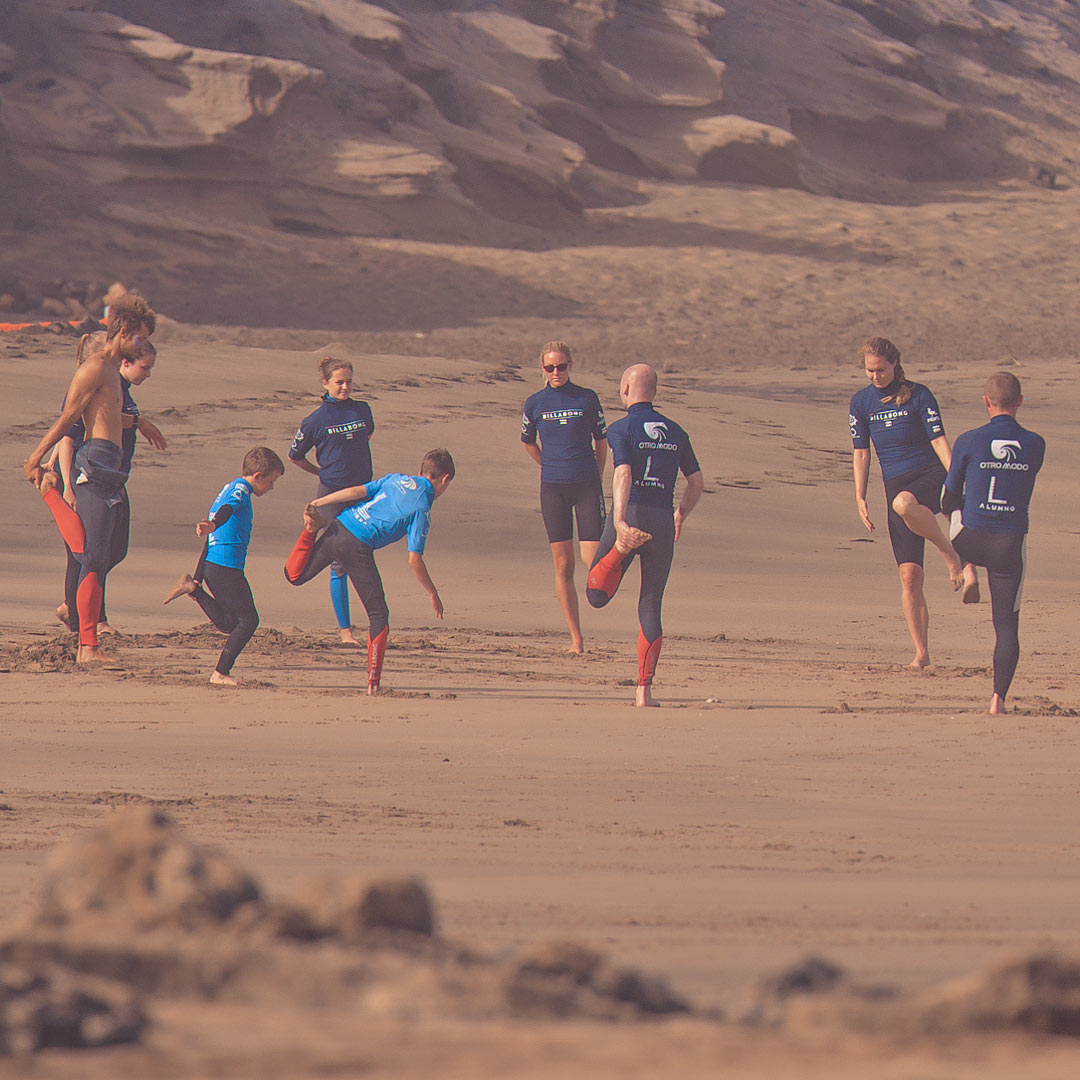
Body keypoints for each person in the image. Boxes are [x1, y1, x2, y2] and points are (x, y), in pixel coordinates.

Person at [23, 293, 156, 663]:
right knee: (92, 555)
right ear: (124, 332)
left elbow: (108, 414)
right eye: (141, 339)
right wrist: (36, 457)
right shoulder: (95, 368)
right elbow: (69, 419)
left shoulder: (113, 372)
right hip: (94, 462)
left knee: (102, 555)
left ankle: (88, 646)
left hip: (113, 467)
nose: (143, 346)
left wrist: (140, 422)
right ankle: (87, 647)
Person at [282, 449, 455, 695]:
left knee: (295, 576)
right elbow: (414, 560)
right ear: (445, 479)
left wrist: (319, 502)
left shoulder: (396, 478)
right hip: (357, 547)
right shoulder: (422, 507)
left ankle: (311, 531)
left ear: (420, 471)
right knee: (378, 615)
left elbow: (356, 492)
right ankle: (373, 682)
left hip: (339, 526)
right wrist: (432, 592)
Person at [585, 364, 703, 707]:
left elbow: (623, 472)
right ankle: (644, 691)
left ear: (625, 390)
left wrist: (620, 521)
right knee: (650, 604)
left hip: (633, 511)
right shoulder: (677, 432)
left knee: (596, 595)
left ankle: (619, 550)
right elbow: (697, 482)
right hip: (662, 519)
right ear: (654, 392)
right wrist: (680, 515)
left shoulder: (620, 429)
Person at [849, 336, 968, 669]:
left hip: (930, 477)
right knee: (909, 577)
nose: (875, 376)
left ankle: (950, 554)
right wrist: (859, 495)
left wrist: (955, 479)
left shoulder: (919, 394)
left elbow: (939, 441)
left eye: (881, 370)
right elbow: (861, 453)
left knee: (904, 504)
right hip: (895, 485)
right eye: (870, 371)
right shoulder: (861, 402)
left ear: (895, 364)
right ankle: (921, 653)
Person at [943, 373, 1045, 715]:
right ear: (1020, 402)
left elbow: (947, 499)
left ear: (985, 401)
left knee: (954, 506)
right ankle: (997, 700)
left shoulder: (968, 440)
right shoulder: (1036, 444)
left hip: (967, 538)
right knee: (1006, 626)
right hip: (1008, 546)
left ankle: (965, 566)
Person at [54, 338, 167, 635]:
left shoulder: (120, 388)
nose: (148, 374)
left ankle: (72, 605)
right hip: (85, 476)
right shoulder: (96, 382)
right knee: (87, 553)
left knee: (115, 549)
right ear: (125, 361)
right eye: (145, 367)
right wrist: (67, 486)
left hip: (112, 477)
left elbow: (114, 417)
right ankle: (86, 621)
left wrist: (139, 422)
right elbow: (68, 434)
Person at [161, 447, 285, 687]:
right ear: (258, 476)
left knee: (230, 623)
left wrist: (198, 576)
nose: (271, 487)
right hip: (226, 568)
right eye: (271, 482)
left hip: (214, 566)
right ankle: (220, 673)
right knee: (248, 621)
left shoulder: (228, 488)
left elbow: (211, 537)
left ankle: (193, 589)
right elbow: (226, 512)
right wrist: (214, 523)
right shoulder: (240, 491)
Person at [521, 341, 608, 653]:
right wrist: (548, 463)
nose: (556, 372)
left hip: (587, 486)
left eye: (561, 366)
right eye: (550, 367)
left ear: (571, 365)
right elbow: (527, 441)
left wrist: (597, 475)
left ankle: (604, 599)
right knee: (563, 565)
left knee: (594, 561)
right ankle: (576, 638)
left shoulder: (587, 398)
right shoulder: (535, 403)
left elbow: (602, 441)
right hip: (553, 488)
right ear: (542, 369)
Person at [288, 356, 375, 645]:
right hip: (331, 496)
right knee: (339, 562)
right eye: (339, 382)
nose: (345, 387)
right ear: (325, 383)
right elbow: (295, 455)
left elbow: (365, 437)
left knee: (363, 556)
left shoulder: (362, 410)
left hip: (362, 493)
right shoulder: (315, 420)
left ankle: (375, 622)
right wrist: (319, 472)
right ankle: (345, 631)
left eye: (349, 381)